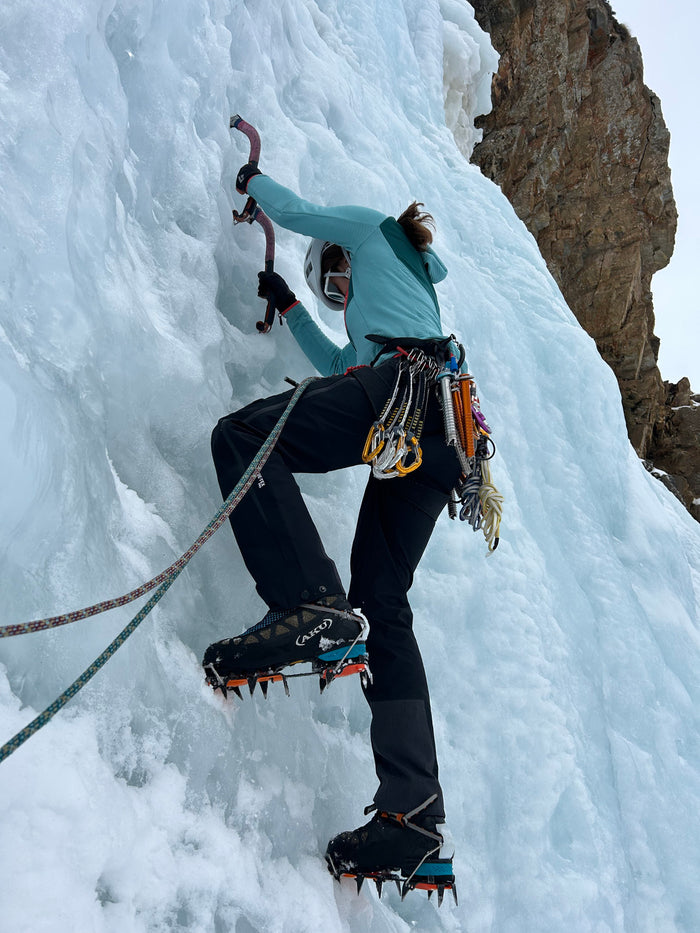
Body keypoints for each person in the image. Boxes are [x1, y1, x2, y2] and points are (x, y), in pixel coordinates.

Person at [203, 160, 462, 899]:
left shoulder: (373, 232)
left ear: (343, 262)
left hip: (402, 393)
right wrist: (289, 309)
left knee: (242, 436)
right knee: (381, 603)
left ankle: (308, 603)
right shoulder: (391, 316)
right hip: (445, 428)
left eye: (334, 285)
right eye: (331, 295)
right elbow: (336, 362)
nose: (339, 297)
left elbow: (307, 213)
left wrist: (253, 186)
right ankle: (413, 814)